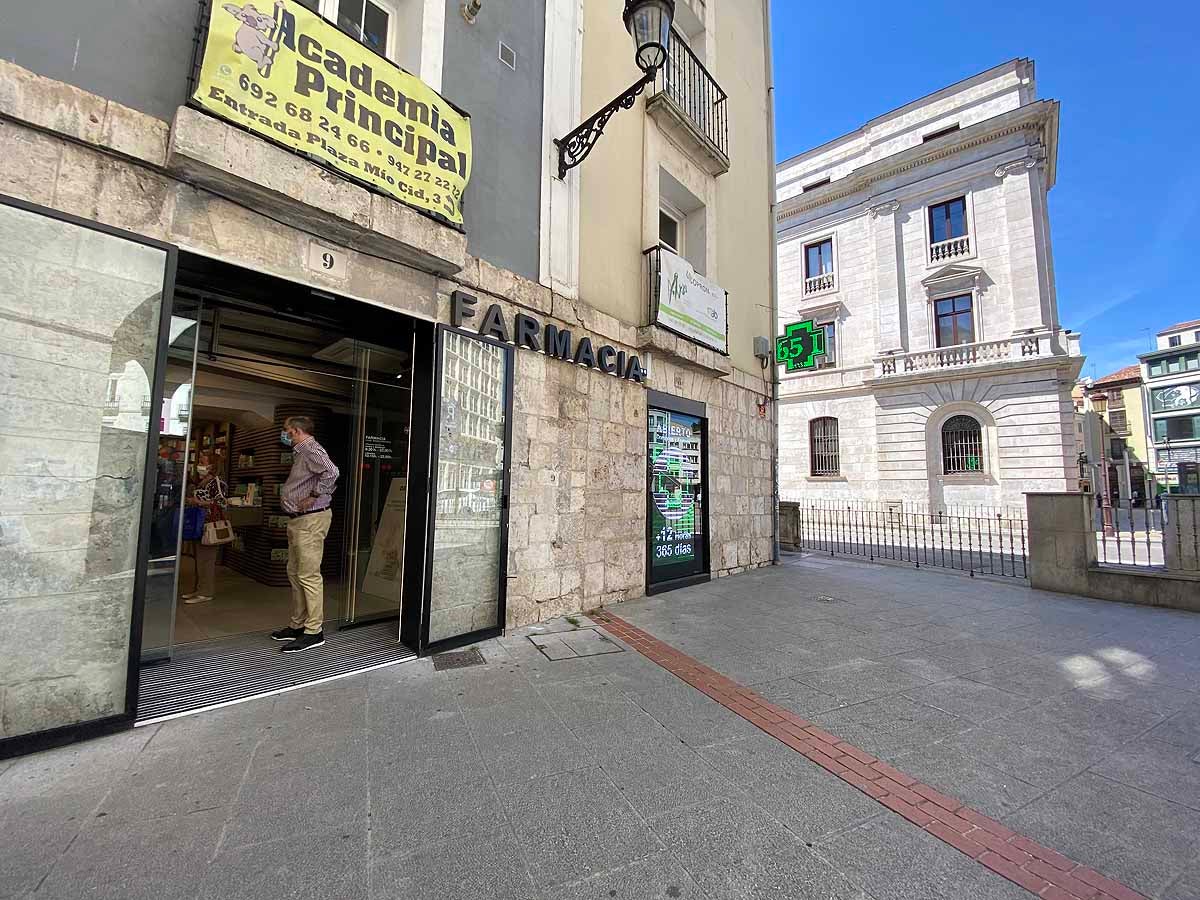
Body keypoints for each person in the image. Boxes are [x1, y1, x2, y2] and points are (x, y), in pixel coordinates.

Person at [271, 415, 340, 652]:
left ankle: (314, 631)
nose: (284, 434)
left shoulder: (310, 448)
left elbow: (332, 472)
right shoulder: (302, 452)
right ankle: (298, 624)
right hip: (299, 521)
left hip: (311, 520)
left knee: (308, 575)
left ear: (296, 431)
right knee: (295, 572)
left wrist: (313, 496)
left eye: (286, 430)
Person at [182, 453, 225, 605]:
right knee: (200, 559)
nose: (199, 464)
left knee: (206, 560)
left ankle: (205, 592)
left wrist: (197, 502)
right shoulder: (203, 481)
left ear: (211, 466)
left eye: (202, 462)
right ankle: (199, 589)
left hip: (209, 523)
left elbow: (221, 502)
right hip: (200, 523)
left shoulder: (216, 482)